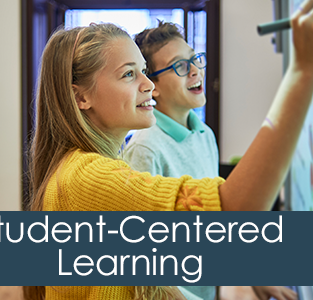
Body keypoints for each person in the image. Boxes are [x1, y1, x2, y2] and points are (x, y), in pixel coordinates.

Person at [23, 1, 313, 299]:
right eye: (129, 74)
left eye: (144, 72)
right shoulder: (89, 176)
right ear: (81, 98)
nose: (148, 85)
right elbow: (233, 212)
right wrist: (303, 72)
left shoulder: (97, 163)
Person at [125, 21, 296, 300]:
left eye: (195, 58)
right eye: (180, 65)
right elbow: (143, 261)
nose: (195, 70)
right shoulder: (145, 150)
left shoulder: (204, 134)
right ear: (152, 86)